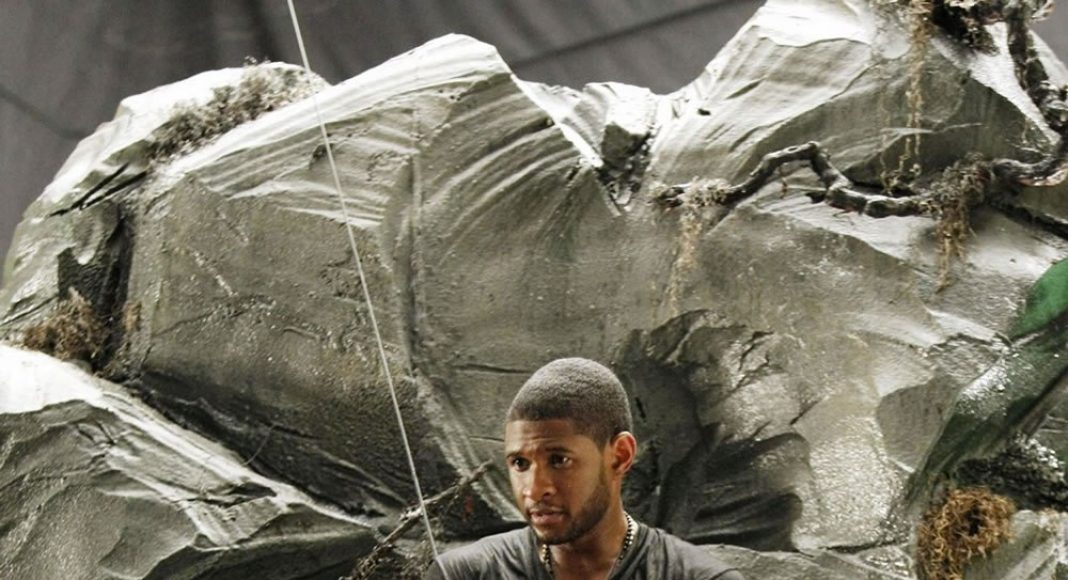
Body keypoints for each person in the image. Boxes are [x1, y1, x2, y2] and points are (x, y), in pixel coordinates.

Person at [427, 357, 744, 579]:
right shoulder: (462, 575)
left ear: (619, 456)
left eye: (559, 460)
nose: (535, 489)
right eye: (520, 463)